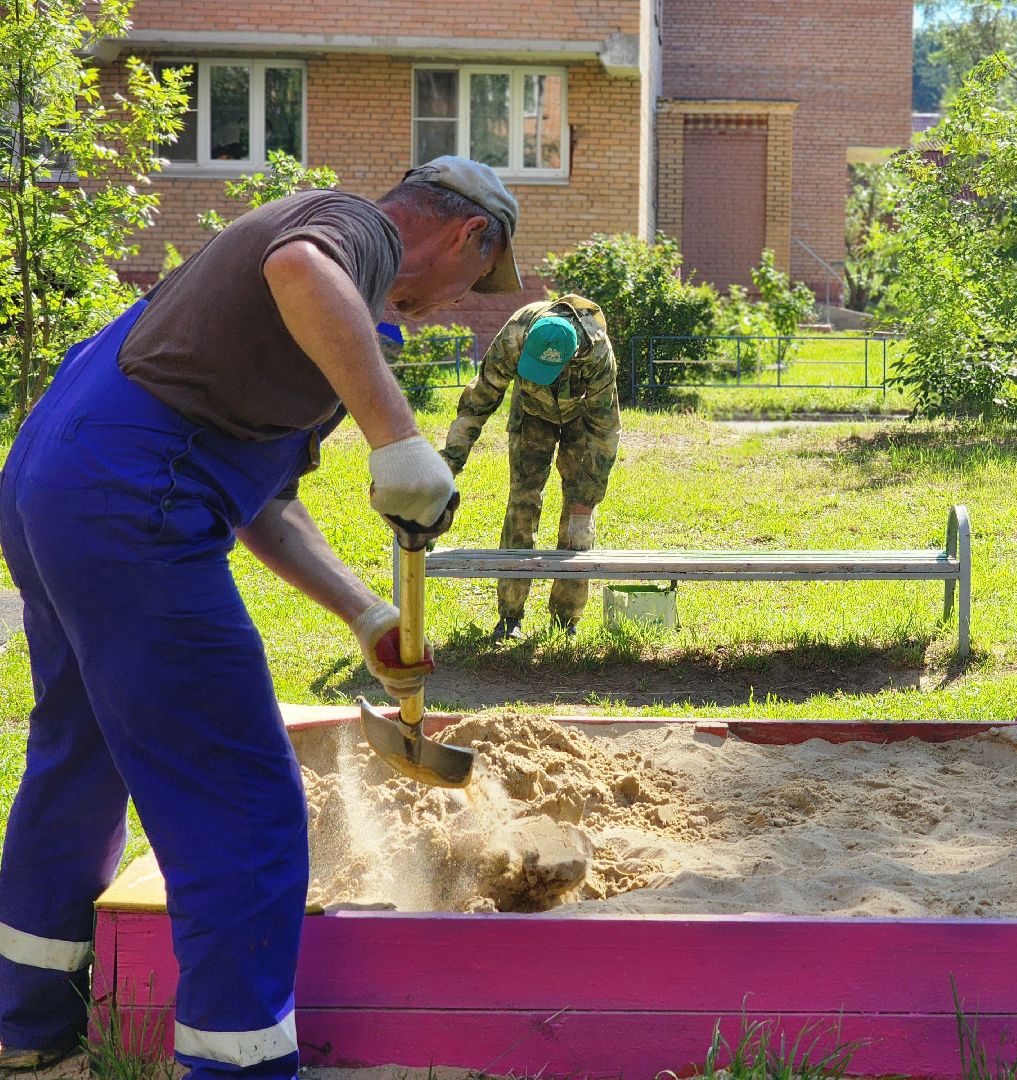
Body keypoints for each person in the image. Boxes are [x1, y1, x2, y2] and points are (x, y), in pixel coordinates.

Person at [0, 156, 521, 1079]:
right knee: (243, 801)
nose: (467, 299)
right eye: (481, 278)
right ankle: (238, 1065)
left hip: (61, 481)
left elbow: (265, 504)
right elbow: (300, 268)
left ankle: (27, 1024)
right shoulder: (352, 229)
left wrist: (365, 615)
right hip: (127, 496)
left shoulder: (326, 337)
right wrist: (396, 438)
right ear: (465, 235)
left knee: (81, 754)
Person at [441, 295, 621, 642]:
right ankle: (509, 619)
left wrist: (588, 496)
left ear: (574, 354)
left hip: (580, 418)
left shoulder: (597, 353)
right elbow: (479, 400)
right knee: (522, 506)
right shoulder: (515, 335)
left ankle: (566, 621)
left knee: (577, 518)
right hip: (532, 413)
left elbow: (606, 432)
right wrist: (450, 461)